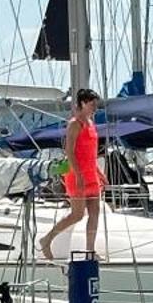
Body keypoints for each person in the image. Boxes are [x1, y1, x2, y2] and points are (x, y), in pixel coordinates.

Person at [38, 87, 104, 260]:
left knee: (95, 212)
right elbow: (70, 151)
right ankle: (47, 239)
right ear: (83, 103)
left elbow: (91, 152)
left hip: (91, 173)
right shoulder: (75, 124)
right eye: (92, 104)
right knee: (77, 214)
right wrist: (79, 174)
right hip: (77, 173)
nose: (95, 107)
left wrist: (99, 172)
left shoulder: (91, 123)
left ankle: (90, 250)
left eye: (95, 104)